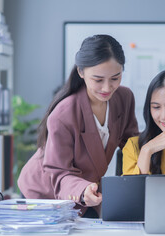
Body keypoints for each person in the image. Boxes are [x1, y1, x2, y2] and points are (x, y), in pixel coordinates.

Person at [18, 34, 139, 217]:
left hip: (87, 192)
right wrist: (83, 190)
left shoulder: (124, 98)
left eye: (115, 77)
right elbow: (59, 172)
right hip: (45, 191)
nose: (107, 88)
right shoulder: (63, 114)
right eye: (98, 80)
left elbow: (130, 142)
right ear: (81, 72)